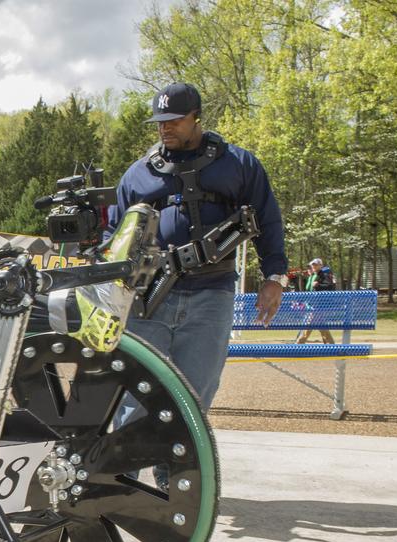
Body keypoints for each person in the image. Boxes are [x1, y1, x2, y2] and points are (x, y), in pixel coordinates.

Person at [107, 82, 287, 411]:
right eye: (160, 122)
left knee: (194, 402)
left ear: (197, 117)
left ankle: (178, 450)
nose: (165, 128)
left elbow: (268, 220)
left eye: (175, 120)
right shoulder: (138, 175)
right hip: (149, 300)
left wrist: (274, 277)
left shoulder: (238, 164)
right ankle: (127, 450)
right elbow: (113, 236)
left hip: (211, 297)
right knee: (134, 399)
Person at [297, 258, 336, 343]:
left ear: (320, 266)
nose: (313, 266)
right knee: (322, 327)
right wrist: (301, 302)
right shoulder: (314, 275)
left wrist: (318, 285)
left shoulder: (324, 275)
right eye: (313, 265)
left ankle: (298, 344)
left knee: (308, 325)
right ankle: (331, 345)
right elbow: (310, 292)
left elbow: (330, 286)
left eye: (316, 265)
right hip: (314, 305)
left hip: (318, 305)